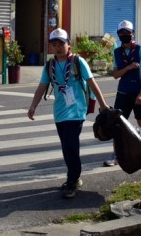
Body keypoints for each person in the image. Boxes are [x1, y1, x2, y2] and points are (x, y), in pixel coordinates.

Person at [27, 28, 110, 199]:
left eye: (61, 44)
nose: (58, 48)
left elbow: (92, 83)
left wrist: (103, 106)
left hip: (77, 111)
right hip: (59, 112)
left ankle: (72, 181)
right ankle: (74, 176)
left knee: (71, 146)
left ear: (69, 44)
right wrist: (33, 106)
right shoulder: (50, 65)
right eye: (54, 44)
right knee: (66, 147)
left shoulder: (78, 62)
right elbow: (42, 86)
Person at [104, 20, 141, 165]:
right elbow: (116, 74)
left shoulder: (140, 50)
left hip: (138, 91)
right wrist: (129, 67)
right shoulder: (117, 52)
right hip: (123, 92)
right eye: (122, 33)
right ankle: (116, 155)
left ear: (133, 33)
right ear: (119, 35)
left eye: (127, 32)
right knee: (118, 124)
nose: (125, 35)